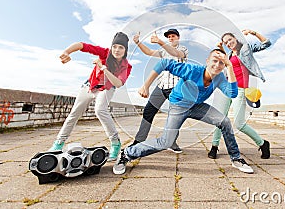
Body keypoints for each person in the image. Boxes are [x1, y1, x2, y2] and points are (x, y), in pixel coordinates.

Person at [113, 49, 254, 175]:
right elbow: (164, 63)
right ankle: (126, 154)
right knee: (166, 142)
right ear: (207, 61)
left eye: (221, 63)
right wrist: (146, 86)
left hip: (197, 106)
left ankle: (236, 158)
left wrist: (230, 66)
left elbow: (232, 93)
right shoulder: (192, 70)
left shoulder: (220, 77)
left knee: (224, 121)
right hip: (178, 106)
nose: (217, 65)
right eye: (215, 61)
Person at [49, 32, 132, 162]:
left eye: (121, 47)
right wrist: (67, 52)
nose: (117, 50)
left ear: (125, 50)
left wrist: (103, 68)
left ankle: (115, 143)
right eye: (115, 46)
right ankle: (59, 143)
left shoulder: (126, 65)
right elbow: (82, 45)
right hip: (90, 86)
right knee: (74, 113)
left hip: (107, 88)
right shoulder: (105, 53)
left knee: (100, 110)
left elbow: (118, 83)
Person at [208, 29, 272, 160]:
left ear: (235, 38)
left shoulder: (246, 49)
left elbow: (267, 43)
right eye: (226, 42)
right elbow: (227, 63)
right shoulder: (230, 55)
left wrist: (253, 33)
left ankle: (263, 143)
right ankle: (214, 146)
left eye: (230, 40)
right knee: (220, 118)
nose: (229, 43)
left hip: (241, 89)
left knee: (239, 123)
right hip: (227, 88)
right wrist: (220, 48)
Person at [130, 28, 188, 153]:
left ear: (178, 37)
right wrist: (138, 42)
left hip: (176, 87)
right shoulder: (163, 51)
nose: (171, 38)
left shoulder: (183, 49)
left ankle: (172, 142)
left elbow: (176, 54)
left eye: (173, 36)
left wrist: (160, 42)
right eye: (169, 37)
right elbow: (149, 52)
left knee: (174, 117)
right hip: (161, 86)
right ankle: (139, 141)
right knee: (148, 112)